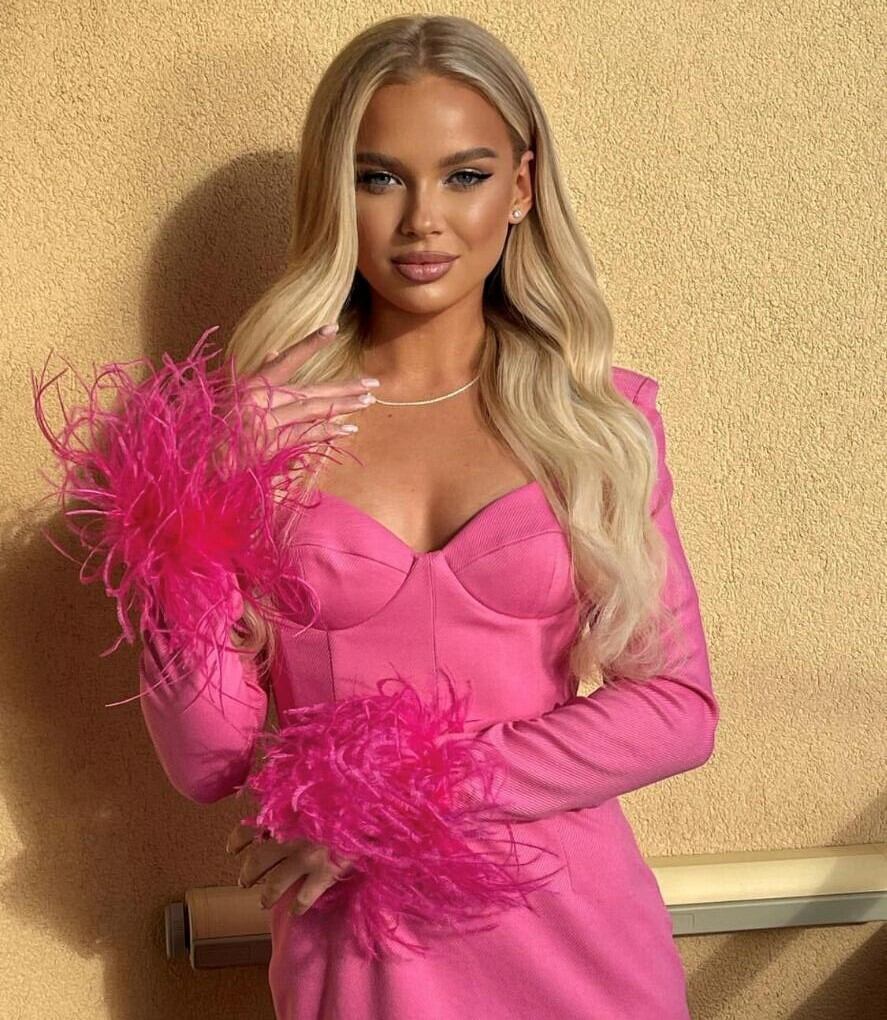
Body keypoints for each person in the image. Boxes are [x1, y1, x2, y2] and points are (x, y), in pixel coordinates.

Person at [138, 14, 720, 1019]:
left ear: (520, 188)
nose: (422, 221)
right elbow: (206, 761)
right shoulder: (256, 431)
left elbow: (675, 710)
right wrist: (197, 507)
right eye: (379, 178)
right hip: (362, 961)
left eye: (464, 176)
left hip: (583, 947)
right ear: (335, 192)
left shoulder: (593, 422)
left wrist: (393, 796)